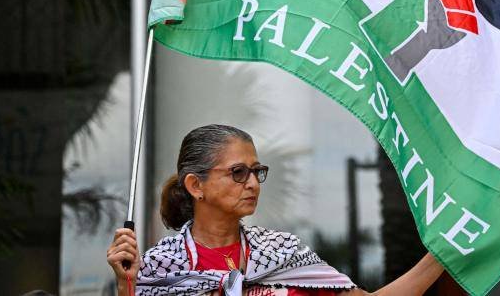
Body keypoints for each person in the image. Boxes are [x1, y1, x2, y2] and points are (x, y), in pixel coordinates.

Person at [106, 124, 444, 295]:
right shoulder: (155, 267)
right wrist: (127, 288)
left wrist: (442, 255)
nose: (252, 183)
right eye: (238, 173)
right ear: (196, 186)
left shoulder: (284, 252)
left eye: (257, 172)